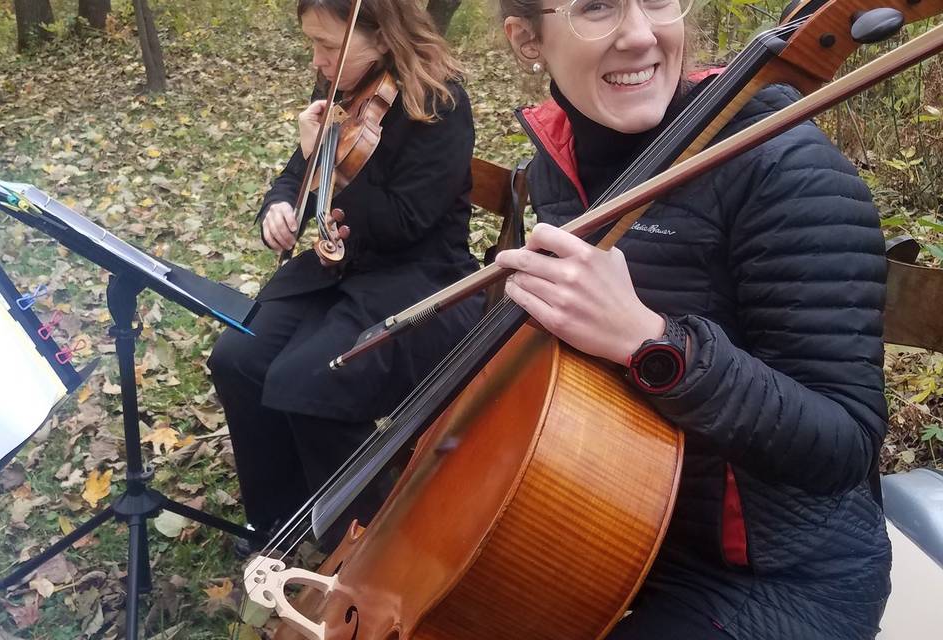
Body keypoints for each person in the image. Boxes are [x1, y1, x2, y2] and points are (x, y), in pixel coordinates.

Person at [493, 1, 891, 639]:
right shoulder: (554, 162)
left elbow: (844, 443)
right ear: (526, 39)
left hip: (773, 577)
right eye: (596, 7)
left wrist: (650, 344)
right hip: (598, 526)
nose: (641, 34)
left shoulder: (783, 165)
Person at [208, 0, 481, 550]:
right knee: (237, 357)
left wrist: (330, 163)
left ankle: (359, 540)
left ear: (381, 37)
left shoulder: (440, 102)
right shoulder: (338, 89)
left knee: (310, 379)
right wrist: (279, 208)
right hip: (341, 267)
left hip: (422, 280)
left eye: (329, 46)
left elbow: (406, 224)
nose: (318, 60)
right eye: (312, 44)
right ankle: (280, 519)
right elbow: (295, 173)